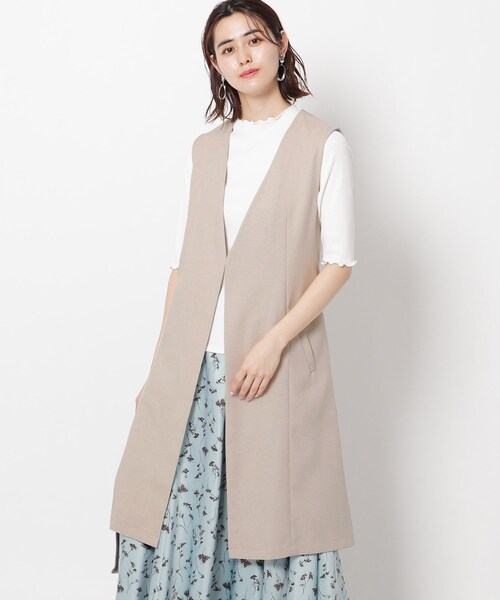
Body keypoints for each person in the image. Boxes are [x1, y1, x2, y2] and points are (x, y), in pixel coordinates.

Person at [111, 1, 357, 597]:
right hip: (193, 367)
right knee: (170, 507)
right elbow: (182, 268)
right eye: (227, 48)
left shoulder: (322, 143)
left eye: (254, 40)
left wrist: (273, 343)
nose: (244, 56)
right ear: (215, 63)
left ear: (280, 43)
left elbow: (339, 264)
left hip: (270, 366)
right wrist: (159, 369)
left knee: (274, 515)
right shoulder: (205, 150)